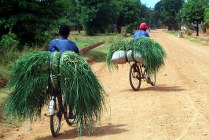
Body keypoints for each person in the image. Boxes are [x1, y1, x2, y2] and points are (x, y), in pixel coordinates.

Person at [48, 25, 79, 121]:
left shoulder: (53, 42)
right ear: (68, 34)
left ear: (59, 33)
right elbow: (78, 58)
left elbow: (49, 55)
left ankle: (59, 106)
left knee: (55, 89)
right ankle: (70, 113)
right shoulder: (72, 44)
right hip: (67, 73)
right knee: (71, 90)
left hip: (54, 72)